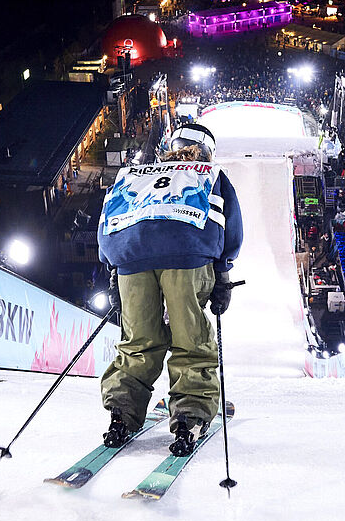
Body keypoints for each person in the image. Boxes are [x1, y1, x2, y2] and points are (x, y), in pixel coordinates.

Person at [96, 123, 243, 456]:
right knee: (190, 339)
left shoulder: (135, 172)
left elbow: (107, 218)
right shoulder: (208, 174)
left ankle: (121, 410)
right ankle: (190, 413)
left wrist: (113, 270)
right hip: (186, 255)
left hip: (131, 259)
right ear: (208, 150)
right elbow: (230, 225)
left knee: (139, 340)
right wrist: (222, 274)